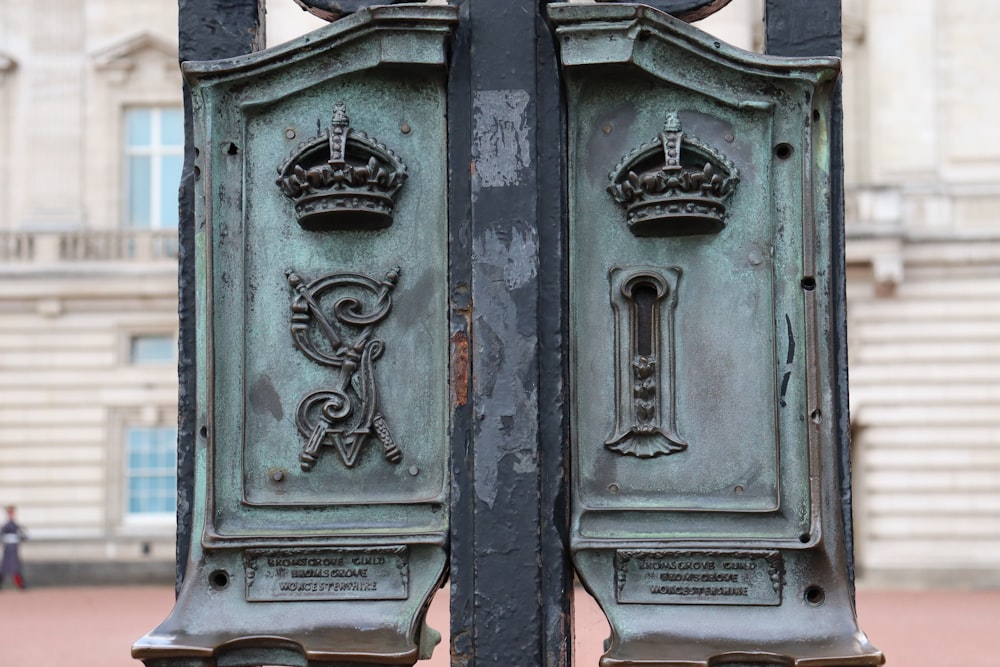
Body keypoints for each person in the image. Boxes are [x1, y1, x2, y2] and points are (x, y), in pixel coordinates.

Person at [1, 505, 27, 590]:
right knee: (5, 568)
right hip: (9, 548)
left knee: (15, 568)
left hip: (14, 548)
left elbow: (22, 535)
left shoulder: (15, 525)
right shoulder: (7, 525)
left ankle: (20, 584)